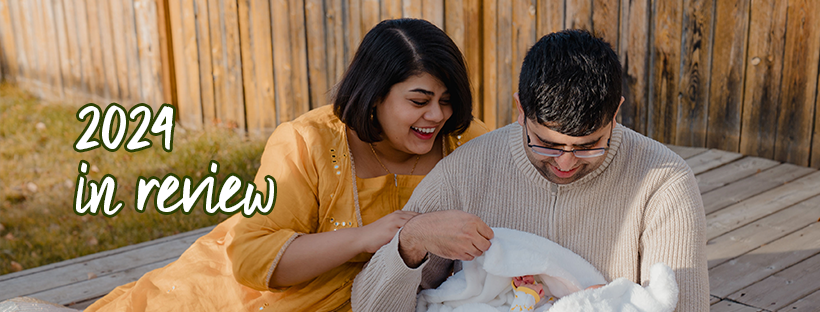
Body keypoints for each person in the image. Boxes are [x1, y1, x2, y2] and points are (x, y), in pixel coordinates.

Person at [84, 18, 488, 312]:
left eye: (447, 100)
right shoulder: (308, 142)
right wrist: (369, 237)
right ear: (375, 94)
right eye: (419, 101)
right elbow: (252, 256)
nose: (436, 115)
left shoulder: (464, 141)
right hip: (271, 299)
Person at [351, 29, 708, 312]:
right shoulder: (464, 171)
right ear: (520, 110)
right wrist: (409, 242)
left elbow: (683, 305)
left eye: (587, 146)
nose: (565, 163)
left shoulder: (663, 181)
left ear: (616, 113)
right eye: (547, 143)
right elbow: (370, 307)